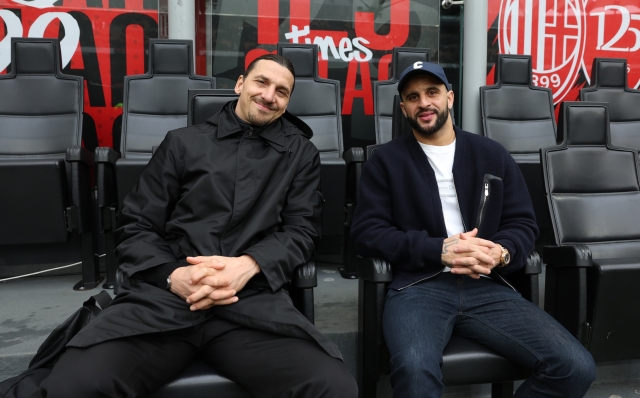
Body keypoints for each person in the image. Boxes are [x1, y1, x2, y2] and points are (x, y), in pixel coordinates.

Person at [34, 54, 358, 398]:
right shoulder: (182, 142)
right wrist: (174, 277)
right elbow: (136, 224)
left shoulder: (300, 154)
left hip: (250, 305)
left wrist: (248, 266)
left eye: (282, 91)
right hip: (163, 302)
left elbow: (302, 231)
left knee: (334, 387)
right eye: (261, 82)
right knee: (74, 385)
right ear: (240, 84)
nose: (269, 95)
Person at [350, 61, 596, 398]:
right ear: (403, 106)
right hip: (420, 287)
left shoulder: (491, 153)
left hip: (487, 285)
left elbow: (523, 223)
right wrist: (437, 249)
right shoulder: (385, 160)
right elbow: (367, 231)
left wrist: (502, 251)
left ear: (450, 97)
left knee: (575, 366)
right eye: (413, 96)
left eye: (432, 92)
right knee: (414, 369)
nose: (424, 102)